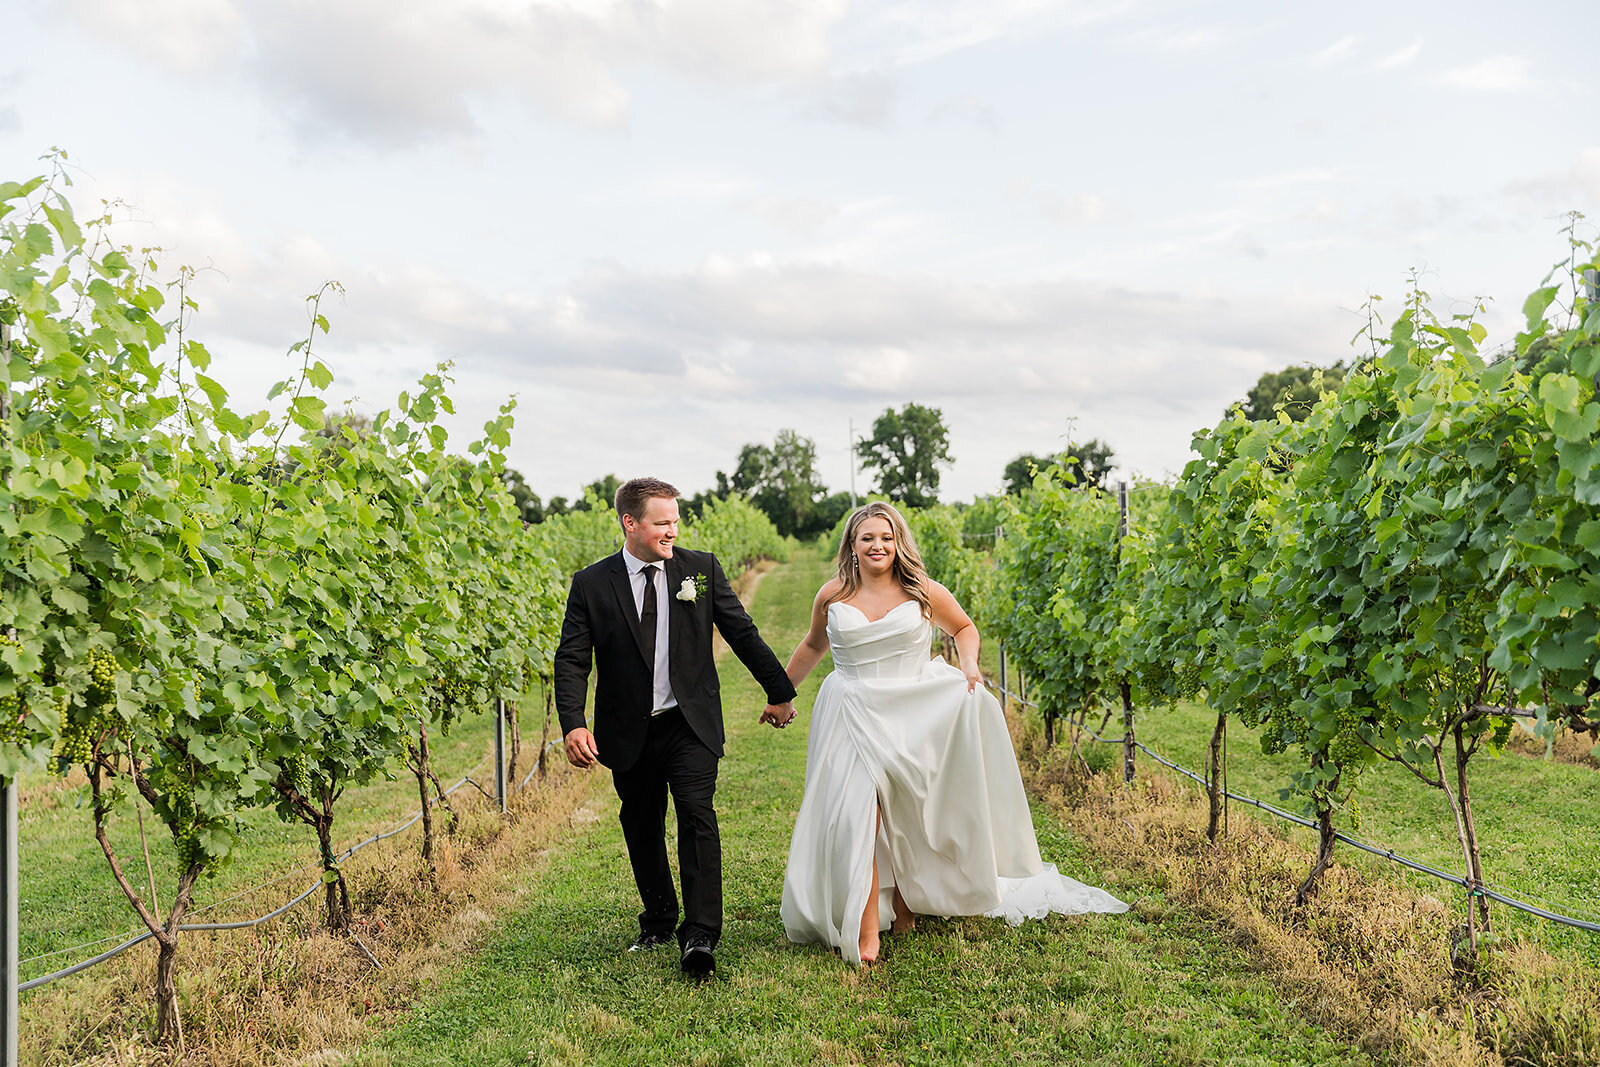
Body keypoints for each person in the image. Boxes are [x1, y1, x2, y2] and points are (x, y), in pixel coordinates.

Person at [779, 501, 1128, 966]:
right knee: (861, 810)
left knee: (906, 807)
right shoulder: (833, 594)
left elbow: (963, 627)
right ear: (852, 546)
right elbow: (813, 644)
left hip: (912, 711)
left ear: (898, 541)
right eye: (867, 538)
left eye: (886, 537)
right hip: (851, 709)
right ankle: (865, 932)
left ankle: (905, 903)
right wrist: (781, 694)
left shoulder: (921, 590)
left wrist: (968, 666)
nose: (877, 545)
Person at [555, 477, 798, 977]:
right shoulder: (592, 583)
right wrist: (574, 723)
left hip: (690, 723)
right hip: (628, 729)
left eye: (675, 521)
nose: (673, 531)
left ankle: (702, 934)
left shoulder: (699, 569)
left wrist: (779, 690)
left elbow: (741, 630)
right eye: (662, 522)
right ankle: (659, 919)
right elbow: (573, 658)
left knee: (696, 815)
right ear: (630, 523)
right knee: (641, 823)